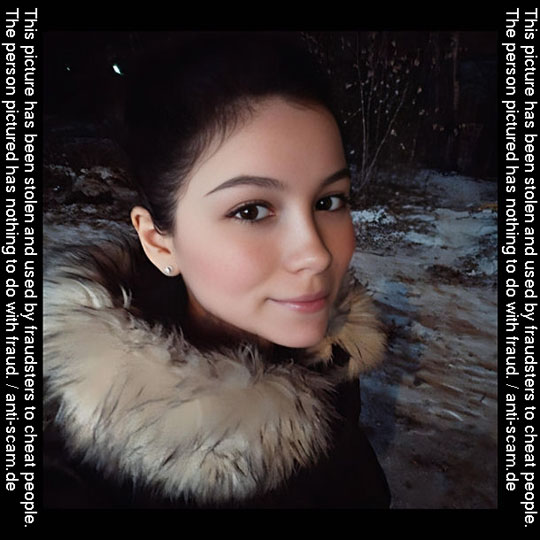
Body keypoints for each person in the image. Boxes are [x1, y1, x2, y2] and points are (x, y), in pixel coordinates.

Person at [43, 32, 391, 509]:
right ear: (158, 241)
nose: (316, 254)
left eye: (329, 201)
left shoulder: (330, 363)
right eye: (251, 210)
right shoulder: (72, 466)